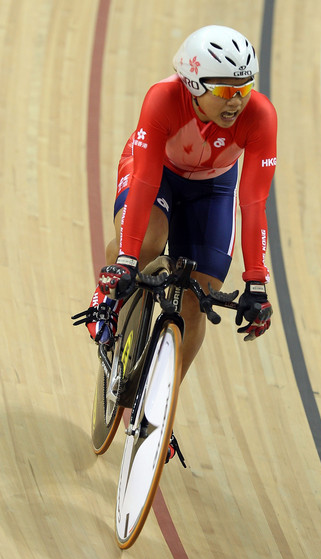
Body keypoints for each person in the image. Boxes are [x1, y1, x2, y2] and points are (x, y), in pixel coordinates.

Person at [83, 24, 277, 398]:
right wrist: (125, 260)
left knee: (200, 297)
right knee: (146, 244)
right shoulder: (163, 98)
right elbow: (143, 183)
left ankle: (161, 406)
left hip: (214, 187)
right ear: (193, 84)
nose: (236, 101)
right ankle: (107, 297)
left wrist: (256, 282)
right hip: (157, 172)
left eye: (244, 87)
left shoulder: (261, 116)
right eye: (224, 90)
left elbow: (253, 204)